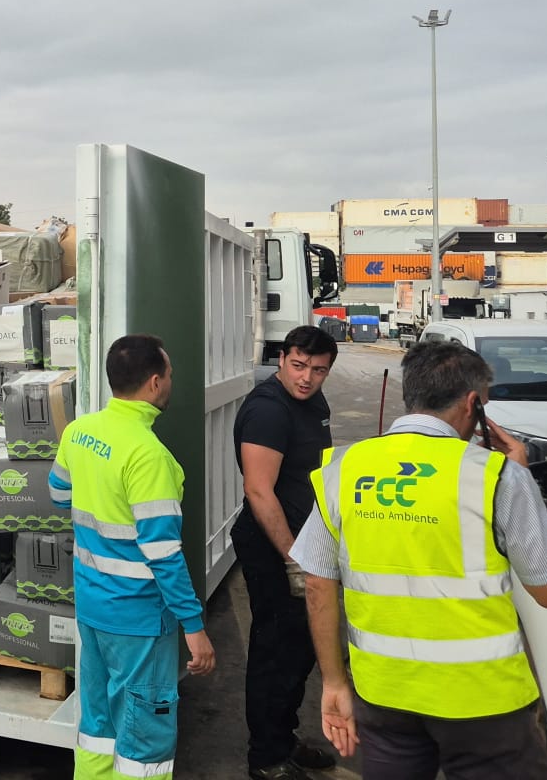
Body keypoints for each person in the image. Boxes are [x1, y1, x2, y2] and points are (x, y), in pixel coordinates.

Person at [294, 341, 547, 780]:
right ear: (472, 404)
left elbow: (317, 582)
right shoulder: (497, 476)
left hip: (384, 694)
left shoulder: (344, 468)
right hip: (484, 701)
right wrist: (522, 476)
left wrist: (333, 682)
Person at [48, 334, 213, 780]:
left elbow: (59, 495)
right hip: (138, 619)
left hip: (92, 608)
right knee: (144, 745)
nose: (171, 382)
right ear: (155, 382)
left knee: (97, 727)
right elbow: (164, 555)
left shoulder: (79, 431)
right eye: (170, 375)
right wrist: (194, 627)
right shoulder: (149, 456)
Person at [233, 326, 339, 780]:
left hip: (305, 541)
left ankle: (284, 737)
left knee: (300, 649)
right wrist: (292, 558)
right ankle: (265, 757)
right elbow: (259, 491)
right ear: (281, 359)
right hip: (273, 544)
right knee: (275, 651)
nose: (306, 378)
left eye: (318, 370)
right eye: (298, 365)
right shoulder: (268, 411)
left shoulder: (312, 401)